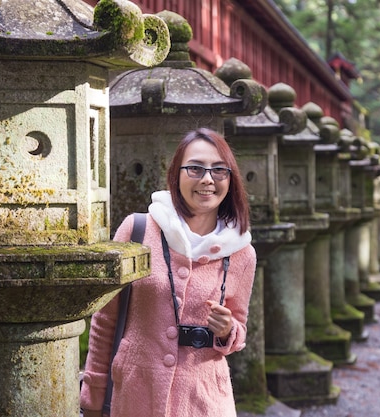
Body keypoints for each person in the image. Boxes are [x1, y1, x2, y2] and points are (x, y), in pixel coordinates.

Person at [80, 128, 257, 417]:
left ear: (230, 178)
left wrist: (227, 330)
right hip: (136, 396)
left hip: (204, 401)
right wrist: (93, 396)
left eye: (219, 170)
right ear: (176, 174)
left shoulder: (241, 251)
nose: (207, 179)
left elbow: (238, 330)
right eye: (195, 168)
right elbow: (105, 320)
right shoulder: (138, 230)